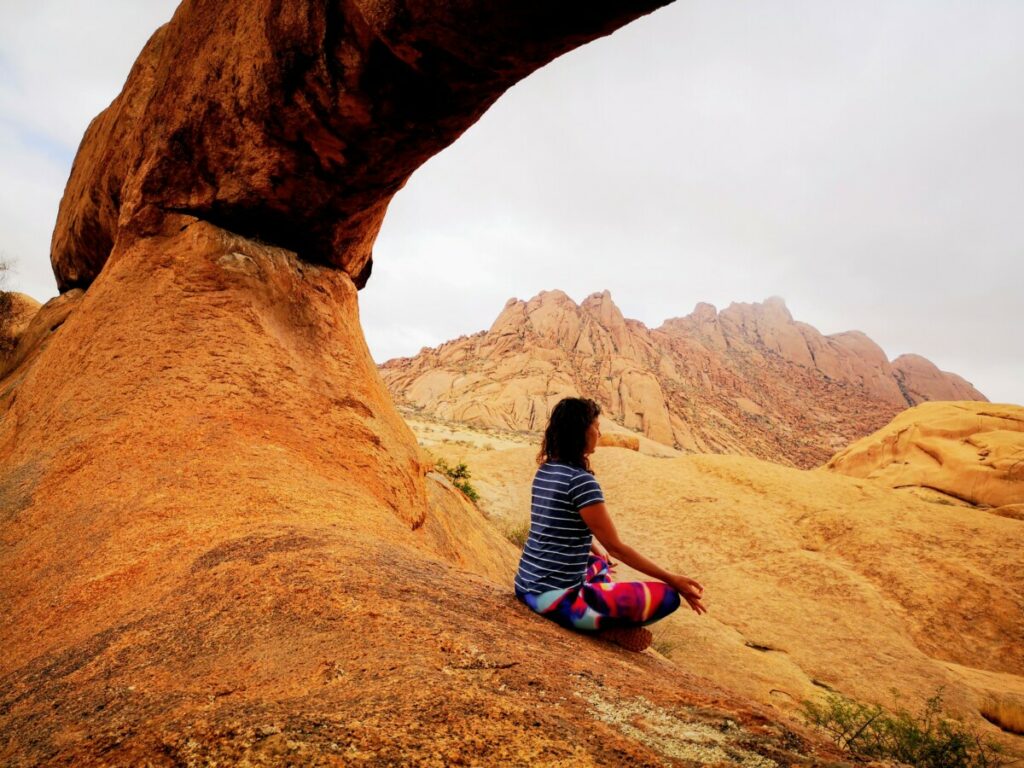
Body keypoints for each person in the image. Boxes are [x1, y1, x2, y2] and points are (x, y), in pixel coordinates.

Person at [513, 396, 706, 651]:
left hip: (525, 586)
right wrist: (672, 579)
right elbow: (616, 547)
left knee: (598, 563)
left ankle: (596, 615)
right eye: (595, 425)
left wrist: (593, 546)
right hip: (555, 601)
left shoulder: (546, 470)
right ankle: (605, 627)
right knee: (668, 597)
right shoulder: (581, 481)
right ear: (581, 431)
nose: (599, 432)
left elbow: (554, 521)